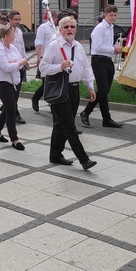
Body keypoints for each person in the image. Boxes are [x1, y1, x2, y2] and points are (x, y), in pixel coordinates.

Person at [39, 16, 97, 170]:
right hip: (60, 89)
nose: (70, 29)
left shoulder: (78, 46)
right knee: (70, 126)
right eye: (66, 27)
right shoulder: (55, 46)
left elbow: (85, 67)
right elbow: (43, 68)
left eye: (72, 26)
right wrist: (60, 66)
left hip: (74, 89)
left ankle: (55, 155)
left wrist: (90, 85)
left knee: (61, 124)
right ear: (60, 29)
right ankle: (84, 159)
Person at [80, 5, 124, 129]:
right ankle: (86, 112)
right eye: (111, 15)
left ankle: (106, 119)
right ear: (105, 15)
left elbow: (107, 45)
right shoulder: (100, 28)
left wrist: (115, 49)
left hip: (107, 59)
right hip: (98, 60)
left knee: (105, 92)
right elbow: (97, 47)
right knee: (103, 90)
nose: (113, 18)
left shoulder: (111, 28)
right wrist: (113, 48)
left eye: (115, 15)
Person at [0, 26, 27, 150]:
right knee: (12, 110)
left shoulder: (12, 47)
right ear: (5, 36)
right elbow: (6, 67)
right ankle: (15, 140)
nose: (14, 37)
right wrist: (19, 63)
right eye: (12, 35)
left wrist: (18, 64)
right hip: (3, 83)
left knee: (7, 108)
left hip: (15, 82)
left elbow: (19, 61)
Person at [30, 9, 57, 112]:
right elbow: (38, 43)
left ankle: (52, 102)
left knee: (52, 82)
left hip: (55, 59)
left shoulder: (58, 28)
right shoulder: (43, 28)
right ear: (53, 18)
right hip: (45, 58)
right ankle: (36, 98)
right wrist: (38, 57)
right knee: (47, 82)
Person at [7, 10, 27, 124]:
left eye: (19, 19)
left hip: (20, 65)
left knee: (17, 92)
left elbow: (22, 47)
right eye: (16, 19)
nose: (18, 21)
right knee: (12, 93)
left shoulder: (19, 31)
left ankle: (9, 109)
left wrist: (25, 61)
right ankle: (15, 114)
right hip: (11, 66)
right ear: (9, 20)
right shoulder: (5, 31)